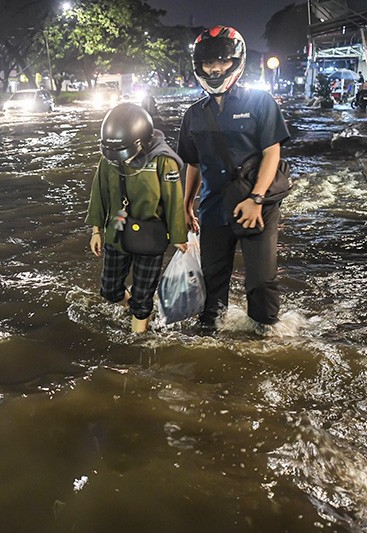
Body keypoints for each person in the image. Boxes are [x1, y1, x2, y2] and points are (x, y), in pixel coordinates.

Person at [177, 26, 290, 329]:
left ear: (236, 62)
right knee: (212, 283)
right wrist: (186, 207)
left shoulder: (260, 102)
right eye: (208, 64)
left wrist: (257, 199)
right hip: (213, 209)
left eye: (222, 62)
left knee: (260, 282)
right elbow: (193, 164)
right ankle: (211, 336)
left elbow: (272, 154)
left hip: (257, 206)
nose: (214, 69)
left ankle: (264, 338)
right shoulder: (193, 114)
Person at [86, 103, 188, 333]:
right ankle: (135, 307)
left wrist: (179, 236)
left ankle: (138, 334)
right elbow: (99, 193)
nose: (123, 159)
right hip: (118, 230)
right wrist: (96, 231)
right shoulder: (109, 159)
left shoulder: (163, 161)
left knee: (143, 298)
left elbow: (174, 201)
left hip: (150, 236)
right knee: (109, 290)